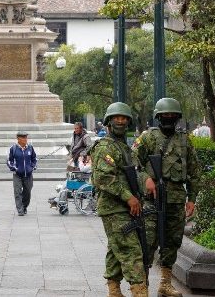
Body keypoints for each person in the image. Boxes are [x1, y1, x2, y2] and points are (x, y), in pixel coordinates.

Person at [135, 97, 202, 297]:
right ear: (158, 116)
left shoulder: (184, 140)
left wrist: (192, 198)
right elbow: (133, 163)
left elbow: (195, 171)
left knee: (172, 242)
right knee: (148, 242)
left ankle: (165, 284)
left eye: (172, 115)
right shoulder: (148, 138)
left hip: (175, 198)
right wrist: (146, 178)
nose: (169, 118)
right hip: (152, 198)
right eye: (165, 115)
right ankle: (141, 287)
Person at [92, 102, 147, 297]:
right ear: (109, 121)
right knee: (131, 252)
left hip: (125, 207)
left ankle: (114, 291)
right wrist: (128, 197)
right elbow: (103, 178)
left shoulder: (124, 148)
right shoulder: (105, 147)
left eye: (124, 118)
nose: (121, 122)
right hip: (114, 208)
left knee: (116, 250)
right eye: (117, 118)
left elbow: (136, 173)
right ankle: (140, 292)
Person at [7, 131, 37, 215]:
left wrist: (32, 167)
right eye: (23, 137)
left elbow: (34, 159)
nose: (25, 139)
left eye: (26, 137)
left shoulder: (30, 148)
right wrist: (14, 168)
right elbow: (9, 160)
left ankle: (24, 206)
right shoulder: (13, 148)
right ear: (18, 139)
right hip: (17, 175)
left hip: (28, 174)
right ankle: (20, 210)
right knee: (17, 192)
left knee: (28, 192)